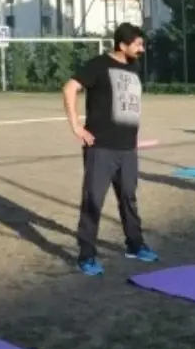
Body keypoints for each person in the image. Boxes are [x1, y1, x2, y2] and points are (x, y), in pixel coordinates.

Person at [63, 22, 158, 277]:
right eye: (138, 45)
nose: (142, 50)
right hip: (100, 148)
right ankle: (86, 256)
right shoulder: (98, 65)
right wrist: (76, 127)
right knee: (93, 201)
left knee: (129, 197)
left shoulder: (135, 67)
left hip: (127, 148)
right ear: (122, 45)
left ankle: (135, 245)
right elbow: (70, 87)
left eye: (142, 44)